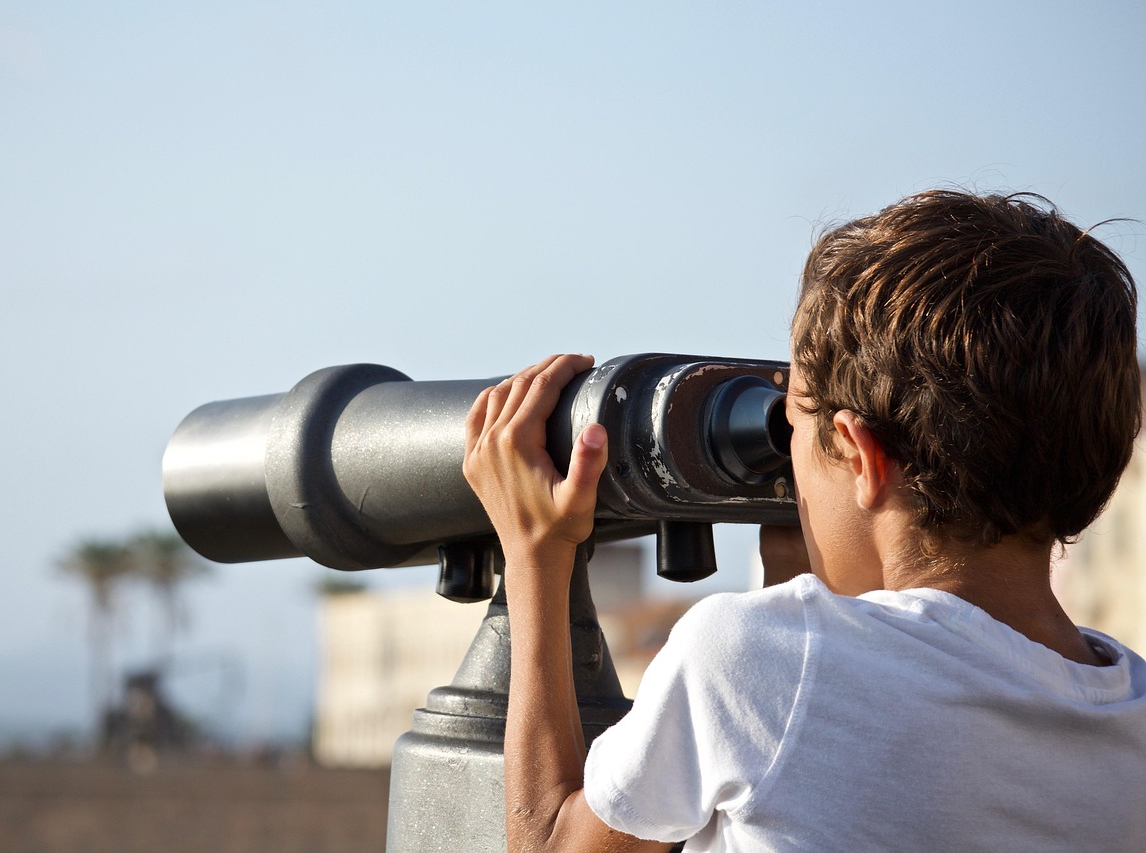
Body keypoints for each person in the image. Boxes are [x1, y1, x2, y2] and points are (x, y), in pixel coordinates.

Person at [462, 190, 1146, 852]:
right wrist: (798, 587)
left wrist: (535, 552)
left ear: (861, 455)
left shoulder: (758, 658)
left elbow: (551, 842)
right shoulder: (1130, 711)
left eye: (792, 424)